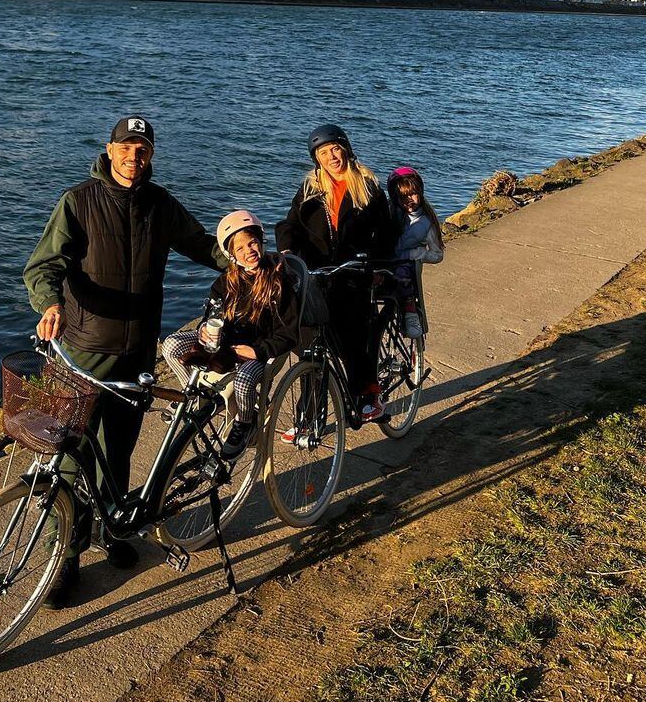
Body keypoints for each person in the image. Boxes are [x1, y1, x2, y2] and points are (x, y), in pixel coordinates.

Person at [23, 114, 224, 608]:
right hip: (80, 353)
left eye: (143, 148)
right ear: (109, 151)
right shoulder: (79, 202)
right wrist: (49, 303)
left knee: (118, 451)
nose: (134, 156)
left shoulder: (160, 205)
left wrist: (246, 258)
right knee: (68, 460)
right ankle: (62, 560)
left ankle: (113, 530)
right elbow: (44, 265)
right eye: (126, 147)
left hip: (136, 353)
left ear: (151, 155)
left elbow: (202, 245)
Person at [275, 124, 395, 424]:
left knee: (353, 337)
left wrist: (378, 264)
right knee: (308, 343)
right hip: (317, 274)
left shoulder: (367, 186)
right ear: (317, 158)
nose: (332, 157)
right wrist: (287, 251)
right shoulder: (310, 188)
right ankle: (311, 414)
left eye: (335, 149)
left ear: (346, 149)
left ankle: (368, 397)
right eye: (323, 153)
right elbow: (290, 224)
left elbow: (386, 231)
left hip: (354, 272)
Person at [161, 210, 300, 461]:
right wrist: (205, 329)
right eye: (240, 248)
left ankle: (245, 424)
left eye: (253, 243)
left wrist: (258, 350)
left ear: (261, 241)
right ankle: (198, 397)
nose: (249, 251)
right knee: (171, 345)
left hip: (260, 350)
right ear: (231, 254)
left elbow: (289, 333)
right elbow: (211, 316)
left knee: (244, 380)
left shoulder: (280, 283)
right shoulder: (224, 283)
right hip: (224, 344)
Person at [385, 166, 444, 339]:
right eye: (402, 196)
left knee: (403, 274)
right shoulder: (388, 213)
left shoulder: (426, 223)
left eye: (412, 194)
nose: (408, 200)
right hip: (384, 259)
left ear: (420, 192)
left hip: (403, 263)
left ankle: (410, 313)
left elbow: (438, 254)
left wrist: (417, 253)